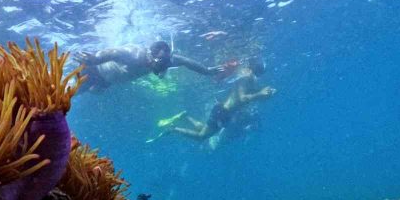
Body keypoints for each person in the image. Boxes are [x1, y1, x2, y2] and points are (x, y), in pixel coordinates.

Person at [161, 57, 275, 141]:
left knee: (205, 130)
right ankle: (173, 129)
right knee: (201, 137)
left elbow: (252, 97)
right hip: (222, 111)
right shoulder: (246, 77)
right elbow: (242, 98)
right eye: (261, 68)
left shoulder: (251, 79)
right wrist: (260, 94)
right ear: (255, 67)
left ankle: (185, 116)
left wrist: (266, 94)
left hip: (226, 114)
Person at [75, 41, 221, 91]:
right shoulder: (134, 54)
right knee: (67, 93)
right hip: (94, 73)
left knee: (93, 92)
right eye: (160, 65)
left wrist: (207, 71)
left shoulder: (165, 60)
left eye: (165, 65)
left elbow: (187, 62)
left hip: (106, 83)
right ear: (151, 55)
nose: (161, 70)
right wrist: (95, 59)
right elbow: (113, 52)